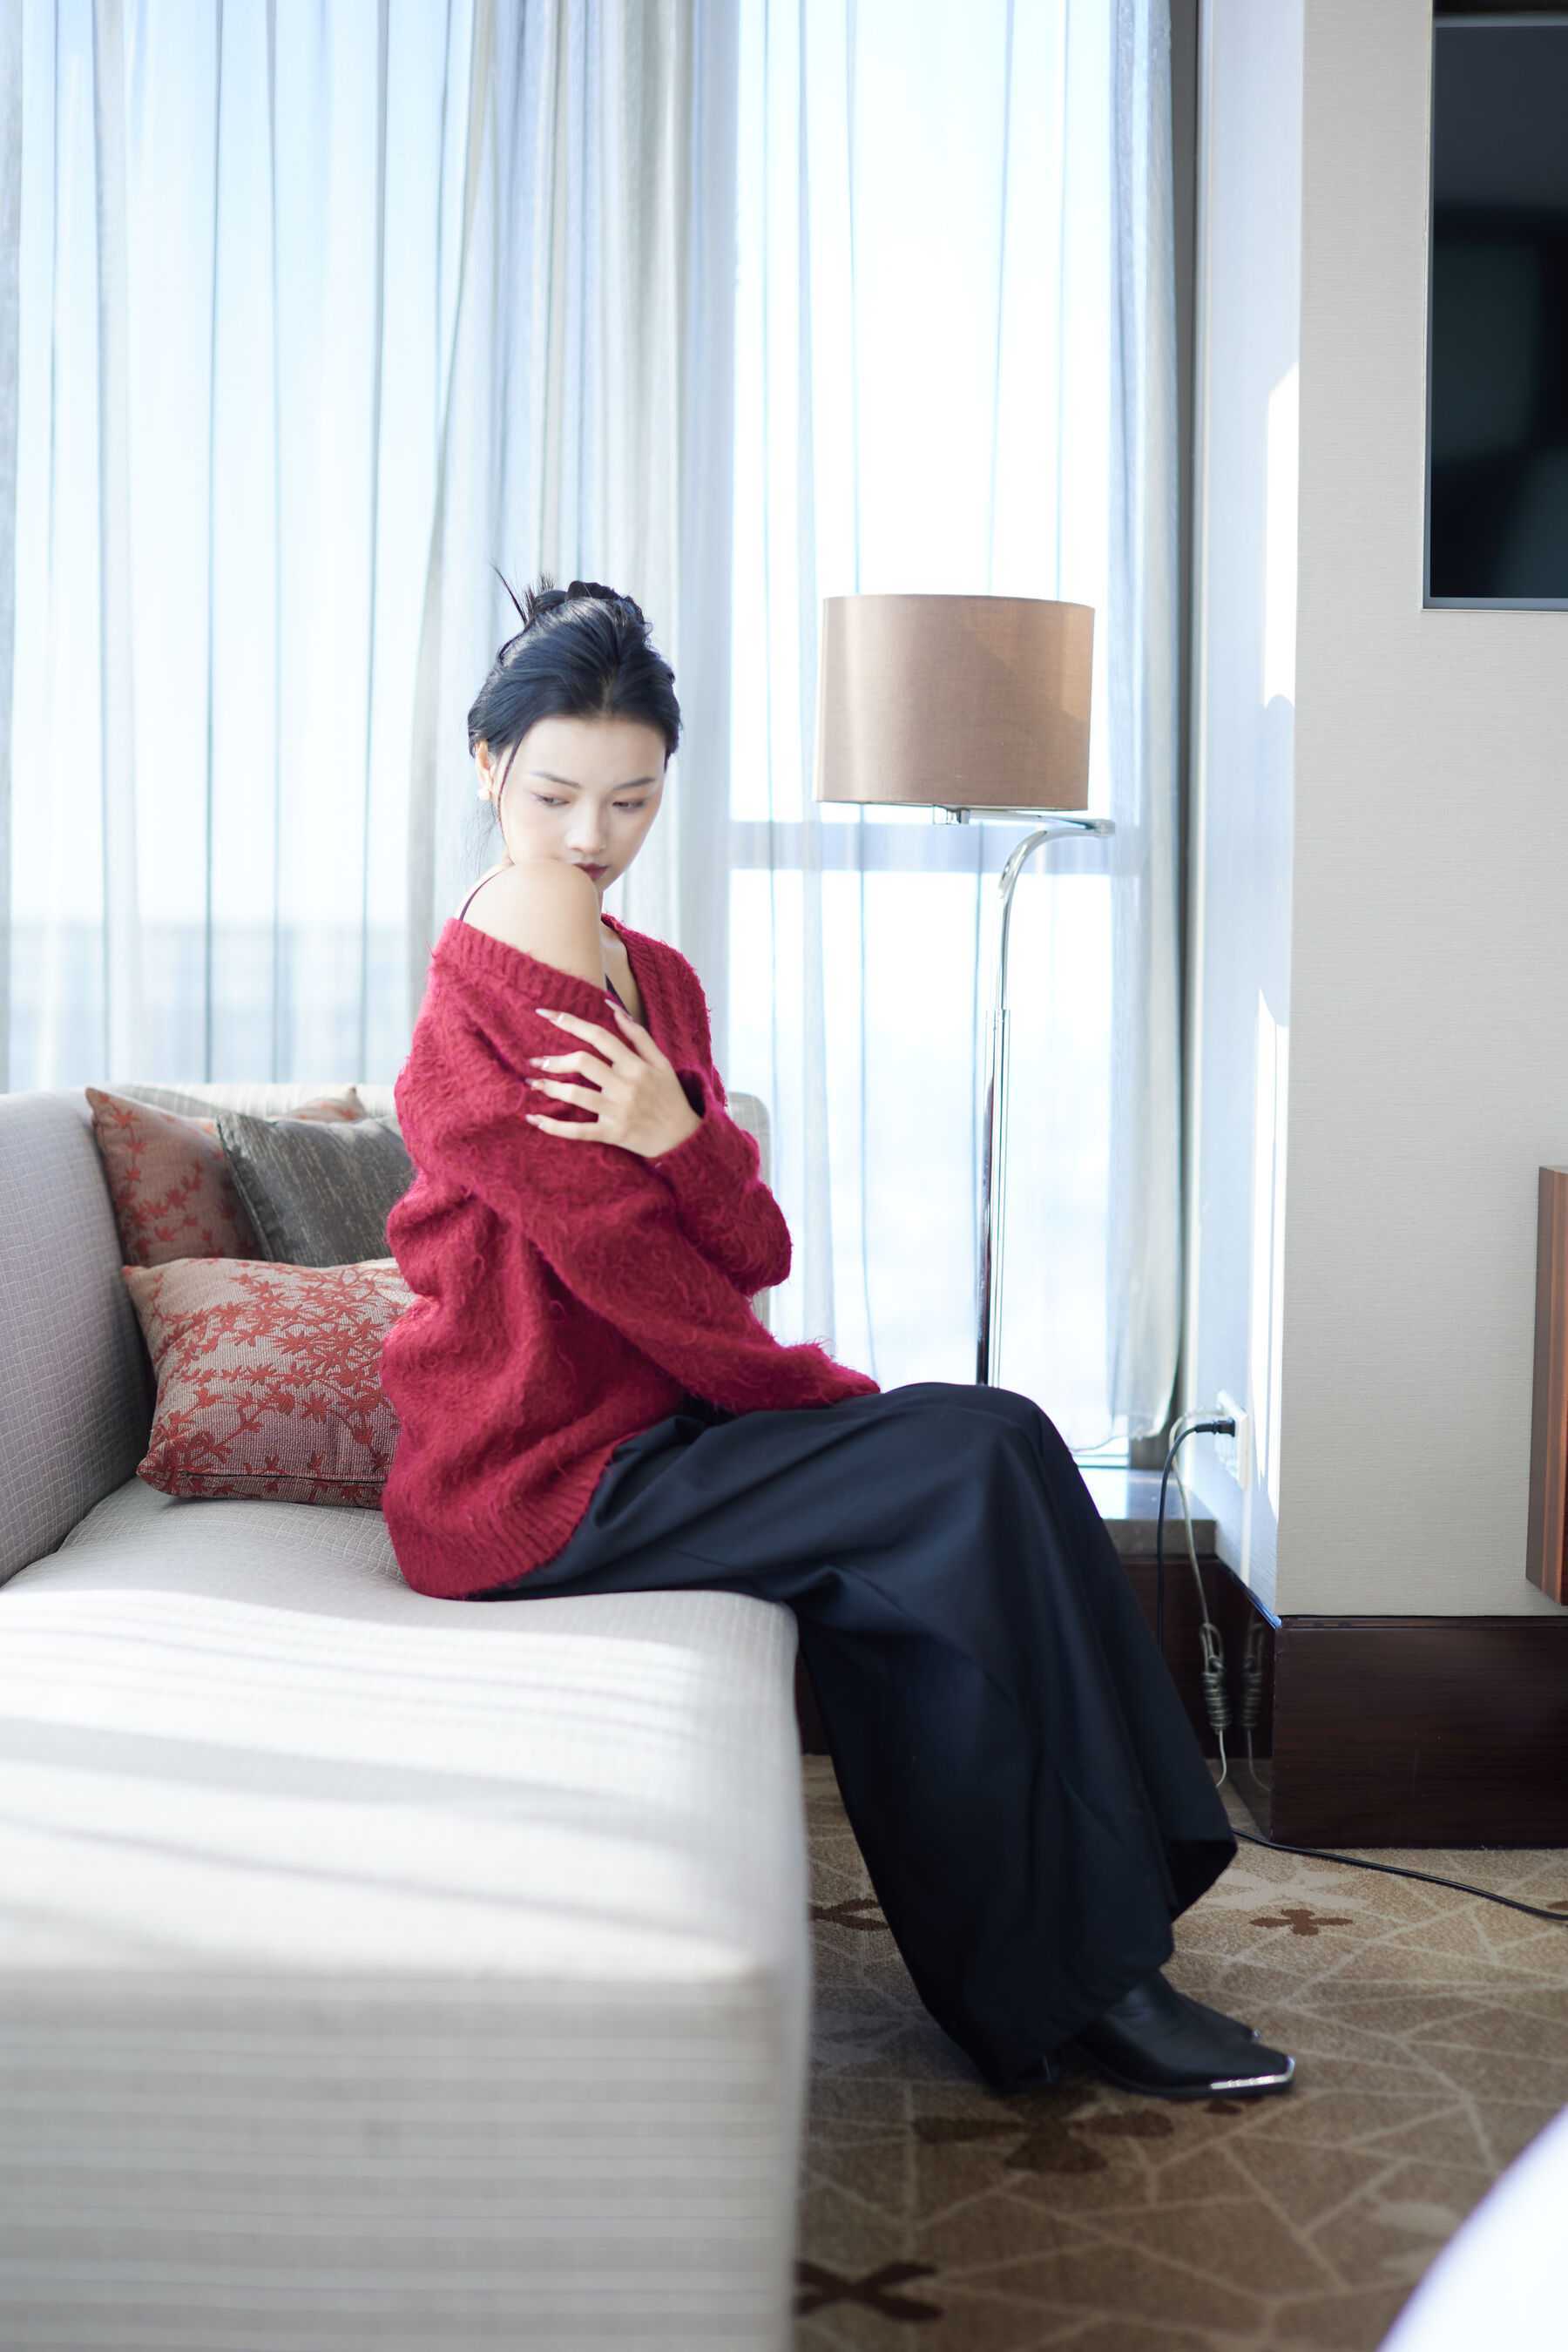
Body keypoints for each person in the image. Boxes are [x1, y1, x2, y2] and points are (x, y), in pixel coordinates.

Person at [379, 571, 1295, 2105]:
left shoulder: (655, 980)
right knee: (954, 1471)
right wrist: (822, 1401)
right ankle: (1091, 1981)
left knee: (1000, 1438)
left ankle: (1103, 1942)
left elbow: (755, 1247)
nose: (590, 839)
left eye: (632, 801)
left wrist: (681, 1133)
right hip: (533, 1483)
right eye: (553, 796)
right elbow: (635, 1277)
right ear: (487, 769)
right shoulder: (503, 969)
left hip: (652, 1439)